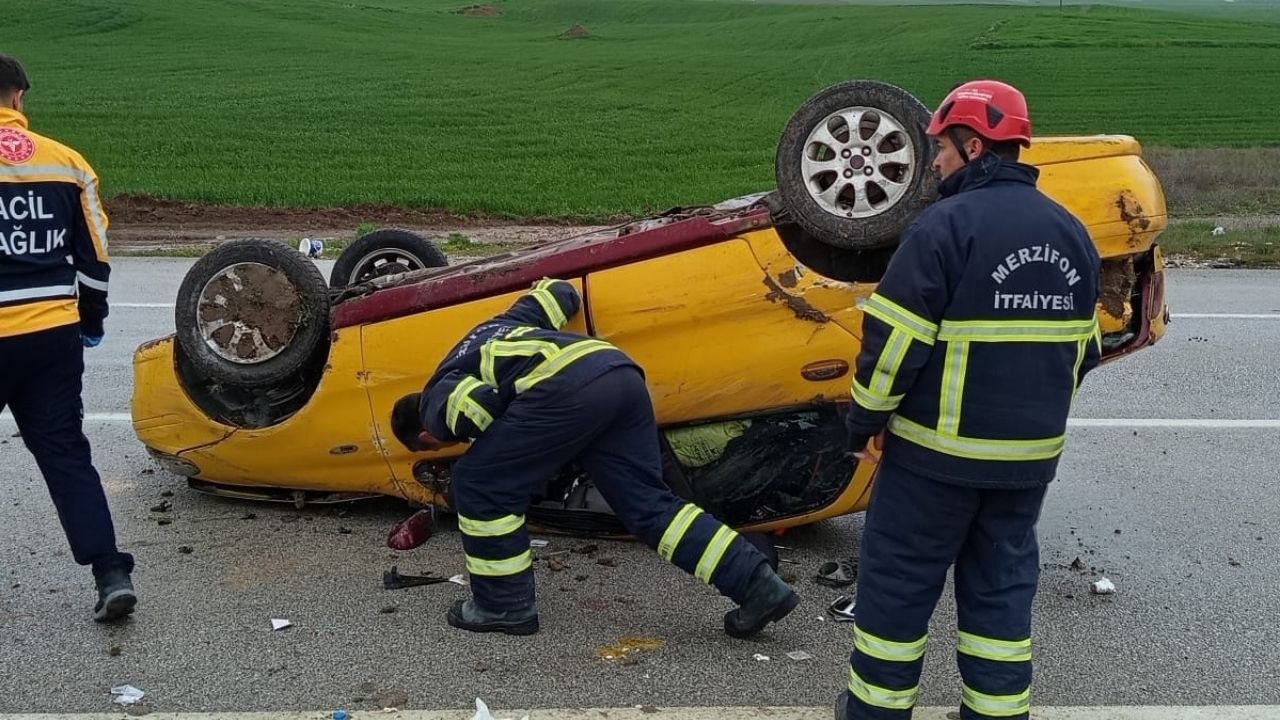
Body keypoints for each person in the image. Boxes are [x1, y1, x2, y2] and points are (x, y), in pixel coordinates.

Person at [834, 80, 1102, 720]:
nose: (935, 163)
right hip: (1026, 466)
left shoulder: (943, 227)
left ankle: (874, 711)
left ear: (975, 144)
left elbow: (894, 345)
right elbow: (1084, 349)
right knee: (1001, 594)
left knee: (897, 591)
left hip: (933, 461)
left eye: (942, 150)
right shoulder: (1071, 232)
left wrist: (864, 423)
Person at [391, 278, 798, 637]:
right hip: (616, 371)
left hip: (567, 391)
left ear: (426, 436)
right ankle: (757, 585)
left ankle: (502, 606)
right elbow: (557, 292)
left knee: (478, 482)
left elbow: (480, 409)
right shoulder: (489, 330)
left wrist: (493, 449)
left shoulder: (435, 397)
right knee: (649, 506)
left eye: (436, 446)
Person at [0, 54, 135, 621]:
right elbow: (95, 255)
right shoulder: (68, 163)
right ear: (20, 97)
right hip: (51, 333)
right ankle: (110, 573)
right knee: (65, 456)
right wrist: (93, 320)